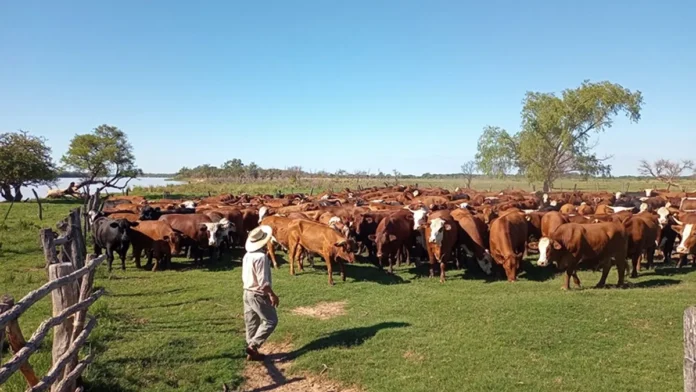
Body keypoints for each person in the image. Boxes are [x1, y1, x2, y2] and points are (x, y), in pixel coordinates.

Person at [242, 225, 279, 361]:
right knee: (271, 320)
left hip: (247, 292)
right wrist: (272, 294)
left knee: (251, 321)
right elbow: (263, 281)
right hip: (258, 293)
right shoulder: (261, 257)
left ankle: (251, 350)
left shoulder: (247, 255)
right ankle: (253, 346)